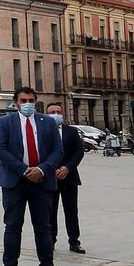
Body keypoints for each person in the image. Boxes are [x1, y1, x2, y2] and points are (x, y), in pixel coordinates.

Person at [0, 86, 64, 266]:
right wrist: (25, 170)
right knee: (12, 225)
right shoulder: (5, 122)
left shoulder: (48, 123)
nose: (28, 104)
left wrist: (41, 170)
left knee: (43, 227)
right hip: (14, 181)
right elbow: (0, 150)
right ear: (16, 102)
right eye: (24, 100)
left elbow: (57, 151)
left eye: (31, 100)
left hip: (42, 182)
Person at [46, 102, 85, 254]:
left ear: (63, 114)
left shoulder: (72, 131)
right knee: (50, 211)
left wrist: (67, 167)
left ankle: (74, 241)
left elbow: (79, 152)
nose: (56, 114)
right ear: (46, 115)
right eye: (52, 112)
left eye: (58, 111)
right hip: (50, 177)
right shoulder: (43, 132)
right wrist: (52, 168)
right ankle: (51, 241)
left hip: (69, 177)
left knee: (71, 211)